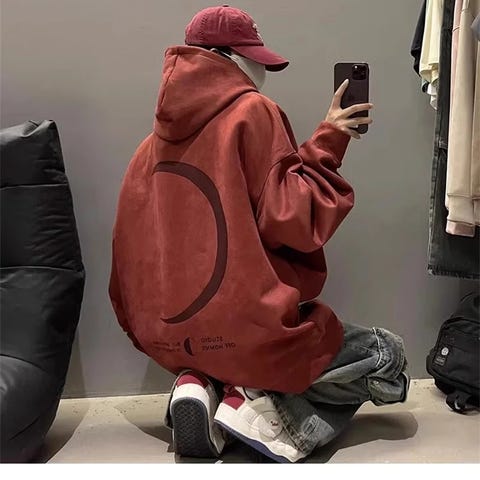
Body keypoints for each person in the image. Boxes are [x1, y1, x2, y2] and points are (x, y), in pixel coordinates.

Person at [109, 5, 410, 463]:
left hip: (169, 338)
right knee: (388, 356)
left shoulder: (148, 148)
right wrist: (330, 139)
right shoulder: (252, 112)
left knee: (226, 349)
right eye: (255, 59)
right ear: (228, 58)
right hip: (249, 332)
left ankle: (201, 382)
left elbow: (126, 256)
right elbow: (295, 219)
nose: (261, 71)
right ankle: (262, 409)